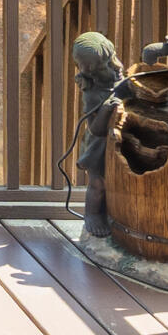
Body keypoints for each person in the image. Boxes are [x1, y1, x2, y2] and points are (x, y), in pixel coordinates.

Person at [70, 32, 126, 239]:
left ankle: (112, 214)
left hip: (118, 141)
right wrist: (105, 109)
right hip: (98, 145)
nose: (87, 70)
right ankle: (92, 214)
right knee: (98, 183)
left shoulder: (117, 78)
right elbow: (95, 128)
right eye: (83, 65)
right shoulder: (91, 92)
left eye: (94, 65)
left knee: (115, 182)